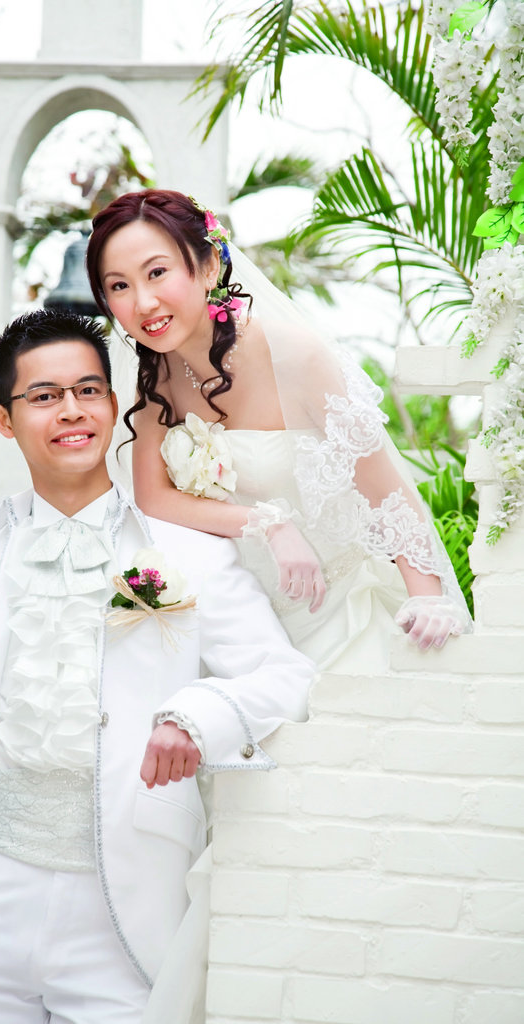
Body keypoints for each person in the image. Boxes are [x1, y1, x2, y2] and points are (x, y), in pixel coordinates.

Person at [0, 308, 315, 1024]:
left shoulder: (190, 554)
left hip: (127, 906)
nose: (71, 411)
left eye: (88, 390)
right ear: (4, 420)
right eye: (44, 396)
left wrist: (193, 717)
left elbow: (284, 676)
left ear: (114, 407)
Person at [85, 189, 472, 674]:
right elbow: (154, 498)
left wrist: (427, 598)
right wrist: (267, 523)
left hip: (343, 616)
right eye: (119, 286)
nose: (143, 302)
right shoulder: (156, 380)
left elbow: (387, 494)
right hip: (245, 632)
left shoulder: (295, 355)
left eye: (157, 272)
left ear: (208, 267)